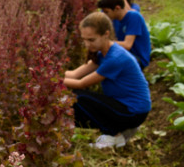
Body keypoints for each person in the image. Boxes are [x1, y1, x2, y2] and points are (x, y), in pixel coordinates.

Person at [64, 11, 152, 149]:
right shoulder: (102, 53)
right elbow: (75, 74)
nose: (87, 44)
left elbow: (81, 83)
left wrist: (52, 81)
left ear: (106, 34)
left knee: (77, 98)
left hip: (133, 111)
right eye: (84, 39)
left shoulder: (115, 58)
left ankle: (113, 135)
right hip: (123, 106)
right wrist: (48, 74)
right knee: (76, 99)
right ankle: (118, 131)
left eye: (91, 40)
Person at [98, 0, 152, 69]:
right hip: (124, 53)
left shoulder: (134, 17)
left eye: (107, 12)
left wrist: (104, 42)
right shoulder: (114, 19)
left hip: (137, 58)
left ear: (117, 8)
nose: (105, 15)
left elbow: (127, 45)